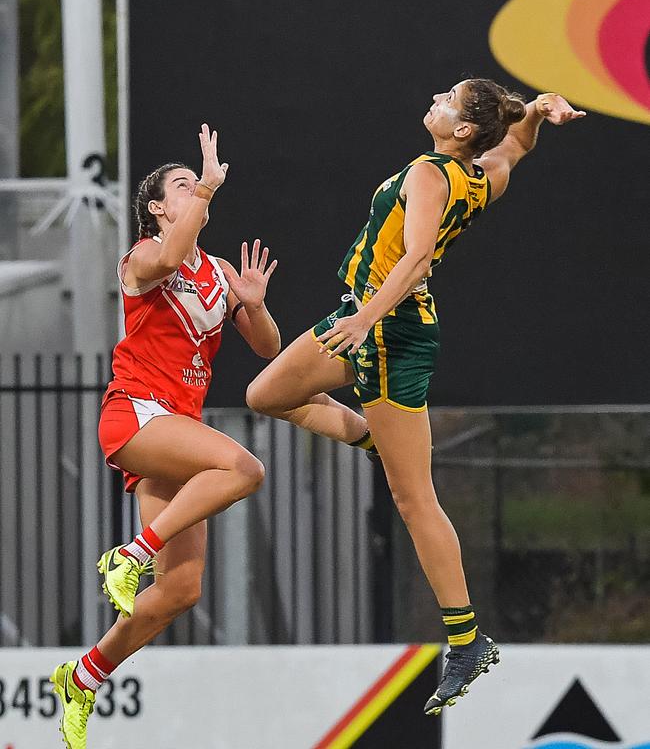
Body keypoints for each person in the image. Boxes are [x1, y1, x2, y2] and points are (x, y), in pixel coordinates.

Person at [246, 79, 585, 715]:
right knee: (266, 392)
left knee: (412, 496)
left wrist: (367, 318)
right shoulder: (481, 175)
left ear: (460, 131)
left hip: (387, 330)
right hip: (365, 320)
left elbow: (418, 257)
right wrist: (535, 112)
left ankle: (465, 638)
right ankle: (375, 439)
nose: (438, 97)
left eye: (450, 99)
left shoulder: (433, 175)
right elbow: (513, 151)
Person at [51, 124, 280, 749]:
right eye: (181, 186)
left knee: (181, 590)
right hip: (136, 413)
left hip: (176, 430)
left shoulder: (217, 269)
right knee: (246, 470)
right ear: (159, 208)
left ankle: (83, 675)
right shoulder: (143, 258)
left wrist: (254, 304)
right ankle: (130, 554)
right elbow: (172, 256)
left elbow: (268, 349)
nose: (196, 188)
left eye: (196, 183)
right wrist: (206, 184)